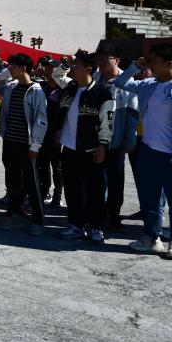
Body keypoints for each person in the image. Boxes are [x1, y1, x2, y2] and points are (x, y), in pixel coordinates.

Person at [114, 45, 172, 260]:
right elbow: (120, 82)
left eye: (154, 60)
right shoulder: (149, 85)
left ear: (169, 63)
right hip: (148, 151)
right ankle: (152, 238)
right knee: (149, 199)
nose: (150, 63)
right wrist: (134, 67)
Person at [52, 53, 114, 243]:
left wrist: (103, 145)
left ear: (88, 69)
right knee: (72, 189)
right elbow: (56, 75)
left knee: (95, 191)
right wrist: (66, 63)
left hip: (91, 149)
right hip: (69, 148)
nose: (73, 68)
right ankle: (75, 224)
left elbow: (107, 123)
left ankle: (96, 227)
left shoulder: (102, 93)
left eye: (76, 65)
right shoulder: (70, 87)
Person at [0, 53, 47, 235]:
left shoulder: (36, 90)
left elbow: (41, 119)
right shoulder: (11, 86)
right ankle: (13, 215)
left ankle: (38, 221)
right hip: (10, 141)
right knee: (12, 181)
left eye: (13, 66)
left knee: (32, 183)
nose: (10, 69)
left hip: (27, 144)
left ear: (24, 68)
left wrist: (36, 145)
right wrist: (5, 72)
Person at [94, 42, 138, 230]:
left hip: (116, 141)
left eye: (106, 58)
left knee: (115, 180)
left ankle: (113, 215)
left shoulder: (127, 82)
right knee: (97, 180)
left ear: (117, 60)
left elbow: (133, 113)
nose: (102, 62)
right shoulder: (95, 78)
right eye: (100, 58)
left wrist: (129, 139)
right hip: (95, 139)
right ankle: (97, 214)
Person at [35, 57, 65, 207]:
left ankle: (58, 196)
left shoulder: (64, 89)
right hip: (42, 133)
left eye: (52, 68)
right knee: (43, 164)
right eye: (47, 68)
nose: (48, 71)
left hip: (56, 133)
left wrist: (61, 132)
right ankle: (44, 191)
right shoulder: (42, 86)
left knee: (57, 167)